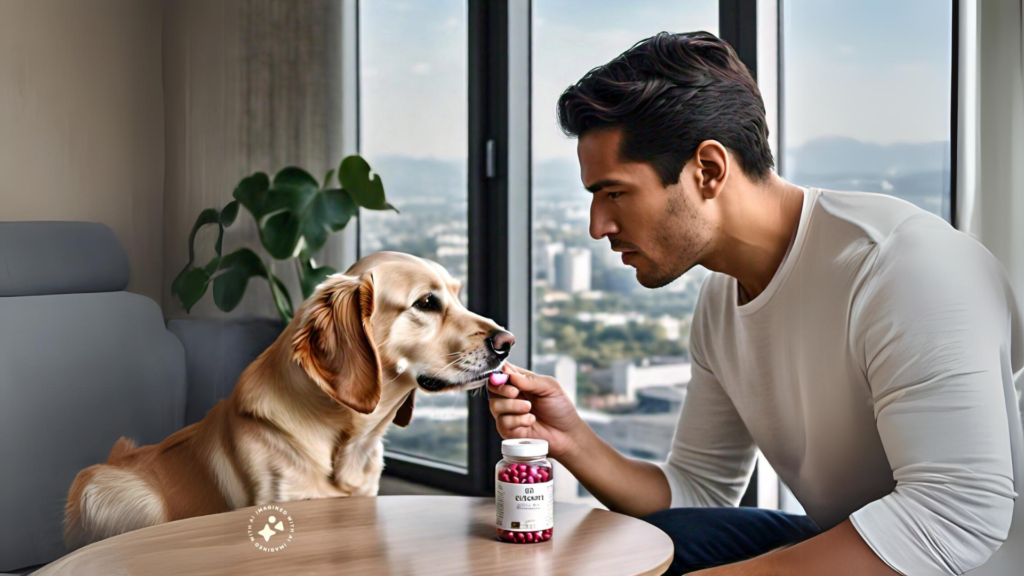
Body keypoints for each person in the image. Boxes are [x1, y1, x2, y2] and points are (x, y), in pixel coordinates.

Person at [487, 31, 1022, 575]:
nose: (598, 226)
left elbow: (957, 516)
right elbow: (699, 494)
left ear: (709, 170)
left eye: (615, 193)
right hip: (846, 541)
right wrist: (569, 439)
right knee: (654, 543)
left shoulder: (903, 267)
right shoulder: (721, 299)